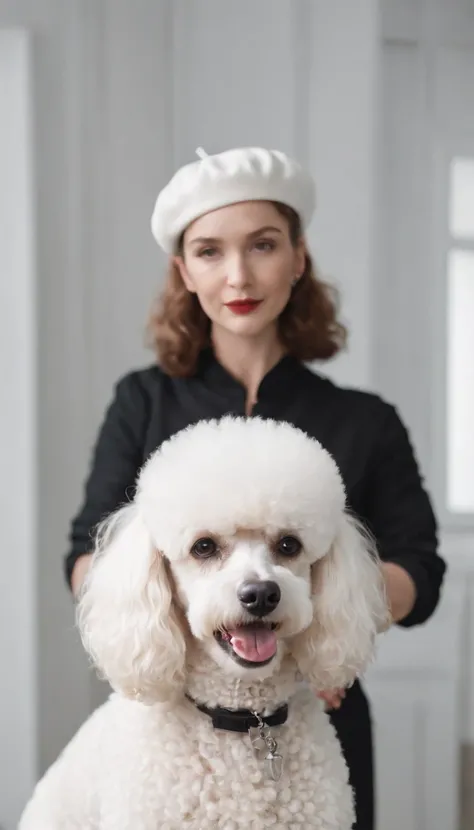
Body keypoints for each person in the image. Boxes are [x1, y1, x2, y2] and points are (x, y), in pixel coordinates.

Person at [65, 146, 446, 830]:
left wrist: (324, 626)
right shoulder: (141, 403)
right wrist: (184, 628)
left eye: (263, 245)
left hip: (318, 712)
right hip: (173, 726)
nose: (238, 274)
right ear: (184, 271)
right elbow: (86, 557)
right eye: (209, 251)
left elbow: (420, 568)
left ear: (298, 257)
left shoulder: (365, 420)